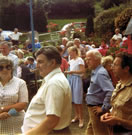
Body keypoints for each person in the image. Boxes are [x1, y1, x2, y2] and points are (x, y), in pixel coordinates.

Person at [22, 46, 72, 135]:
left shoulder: (54, 83)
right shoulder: (53, 80)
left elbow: (52, 120)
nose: (37, 65)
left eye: (40, 62)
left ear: (52, 62)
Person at [101, 52, 132, 135]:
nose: (112, 68)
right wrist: (109, 114)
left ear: (126, 69)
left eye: (115, 65)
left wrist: (118, 121)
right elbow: (118, 107)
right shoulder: (120, 83)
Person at [85, 50, 114, 135]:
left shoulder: (100, 73)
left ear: (97, 59)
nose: (87, 61)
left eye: (89, 59)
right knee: (90, 130)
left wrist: (103, 108)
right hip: (93, 108)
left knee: (100, 132)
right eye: (86, 59)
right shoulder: (96, 71)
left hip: (97, 108)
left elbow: (110, 90)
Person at [0, 56, 28, 134]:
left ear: (12, 68)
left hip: (16, 122)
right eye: (1, 67)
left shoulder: (20, 83)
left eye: (7, 67)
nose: (4, 70)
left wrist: (6, 112)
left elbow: (22, 105)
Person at [65, 46, 85, 128]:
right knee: (73, 99)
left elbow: (82, 71)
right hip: (71, 79)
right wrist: (68, 72)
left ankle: (81, 118)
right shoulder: (71, 61)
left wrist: (72, 71)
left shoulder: (79, 60)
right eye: (69, 52)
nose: (69, 54)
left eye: (70, 52)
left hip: (77, 79)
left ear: (74, 52)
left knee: (78, 100)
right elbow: (68, 69)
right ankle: (77, 116)